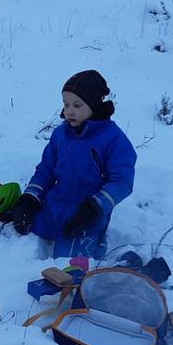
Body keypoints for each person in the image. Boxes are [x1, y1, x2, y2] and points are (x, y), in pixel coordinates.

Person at [12, 70, 136, 259]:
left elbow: (122, 182)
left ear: (94, 104)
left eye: (77, 105)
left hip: (86, 214)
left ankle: (99, 238)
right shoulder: (61, 135)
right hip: (55, 205)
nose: (69, 110)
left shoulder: (114, 140)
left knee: (69, 261)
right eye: (66, 104)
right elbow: (45, 170)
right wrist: (30, 199)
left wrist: (94, 208)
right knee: (18, 226)